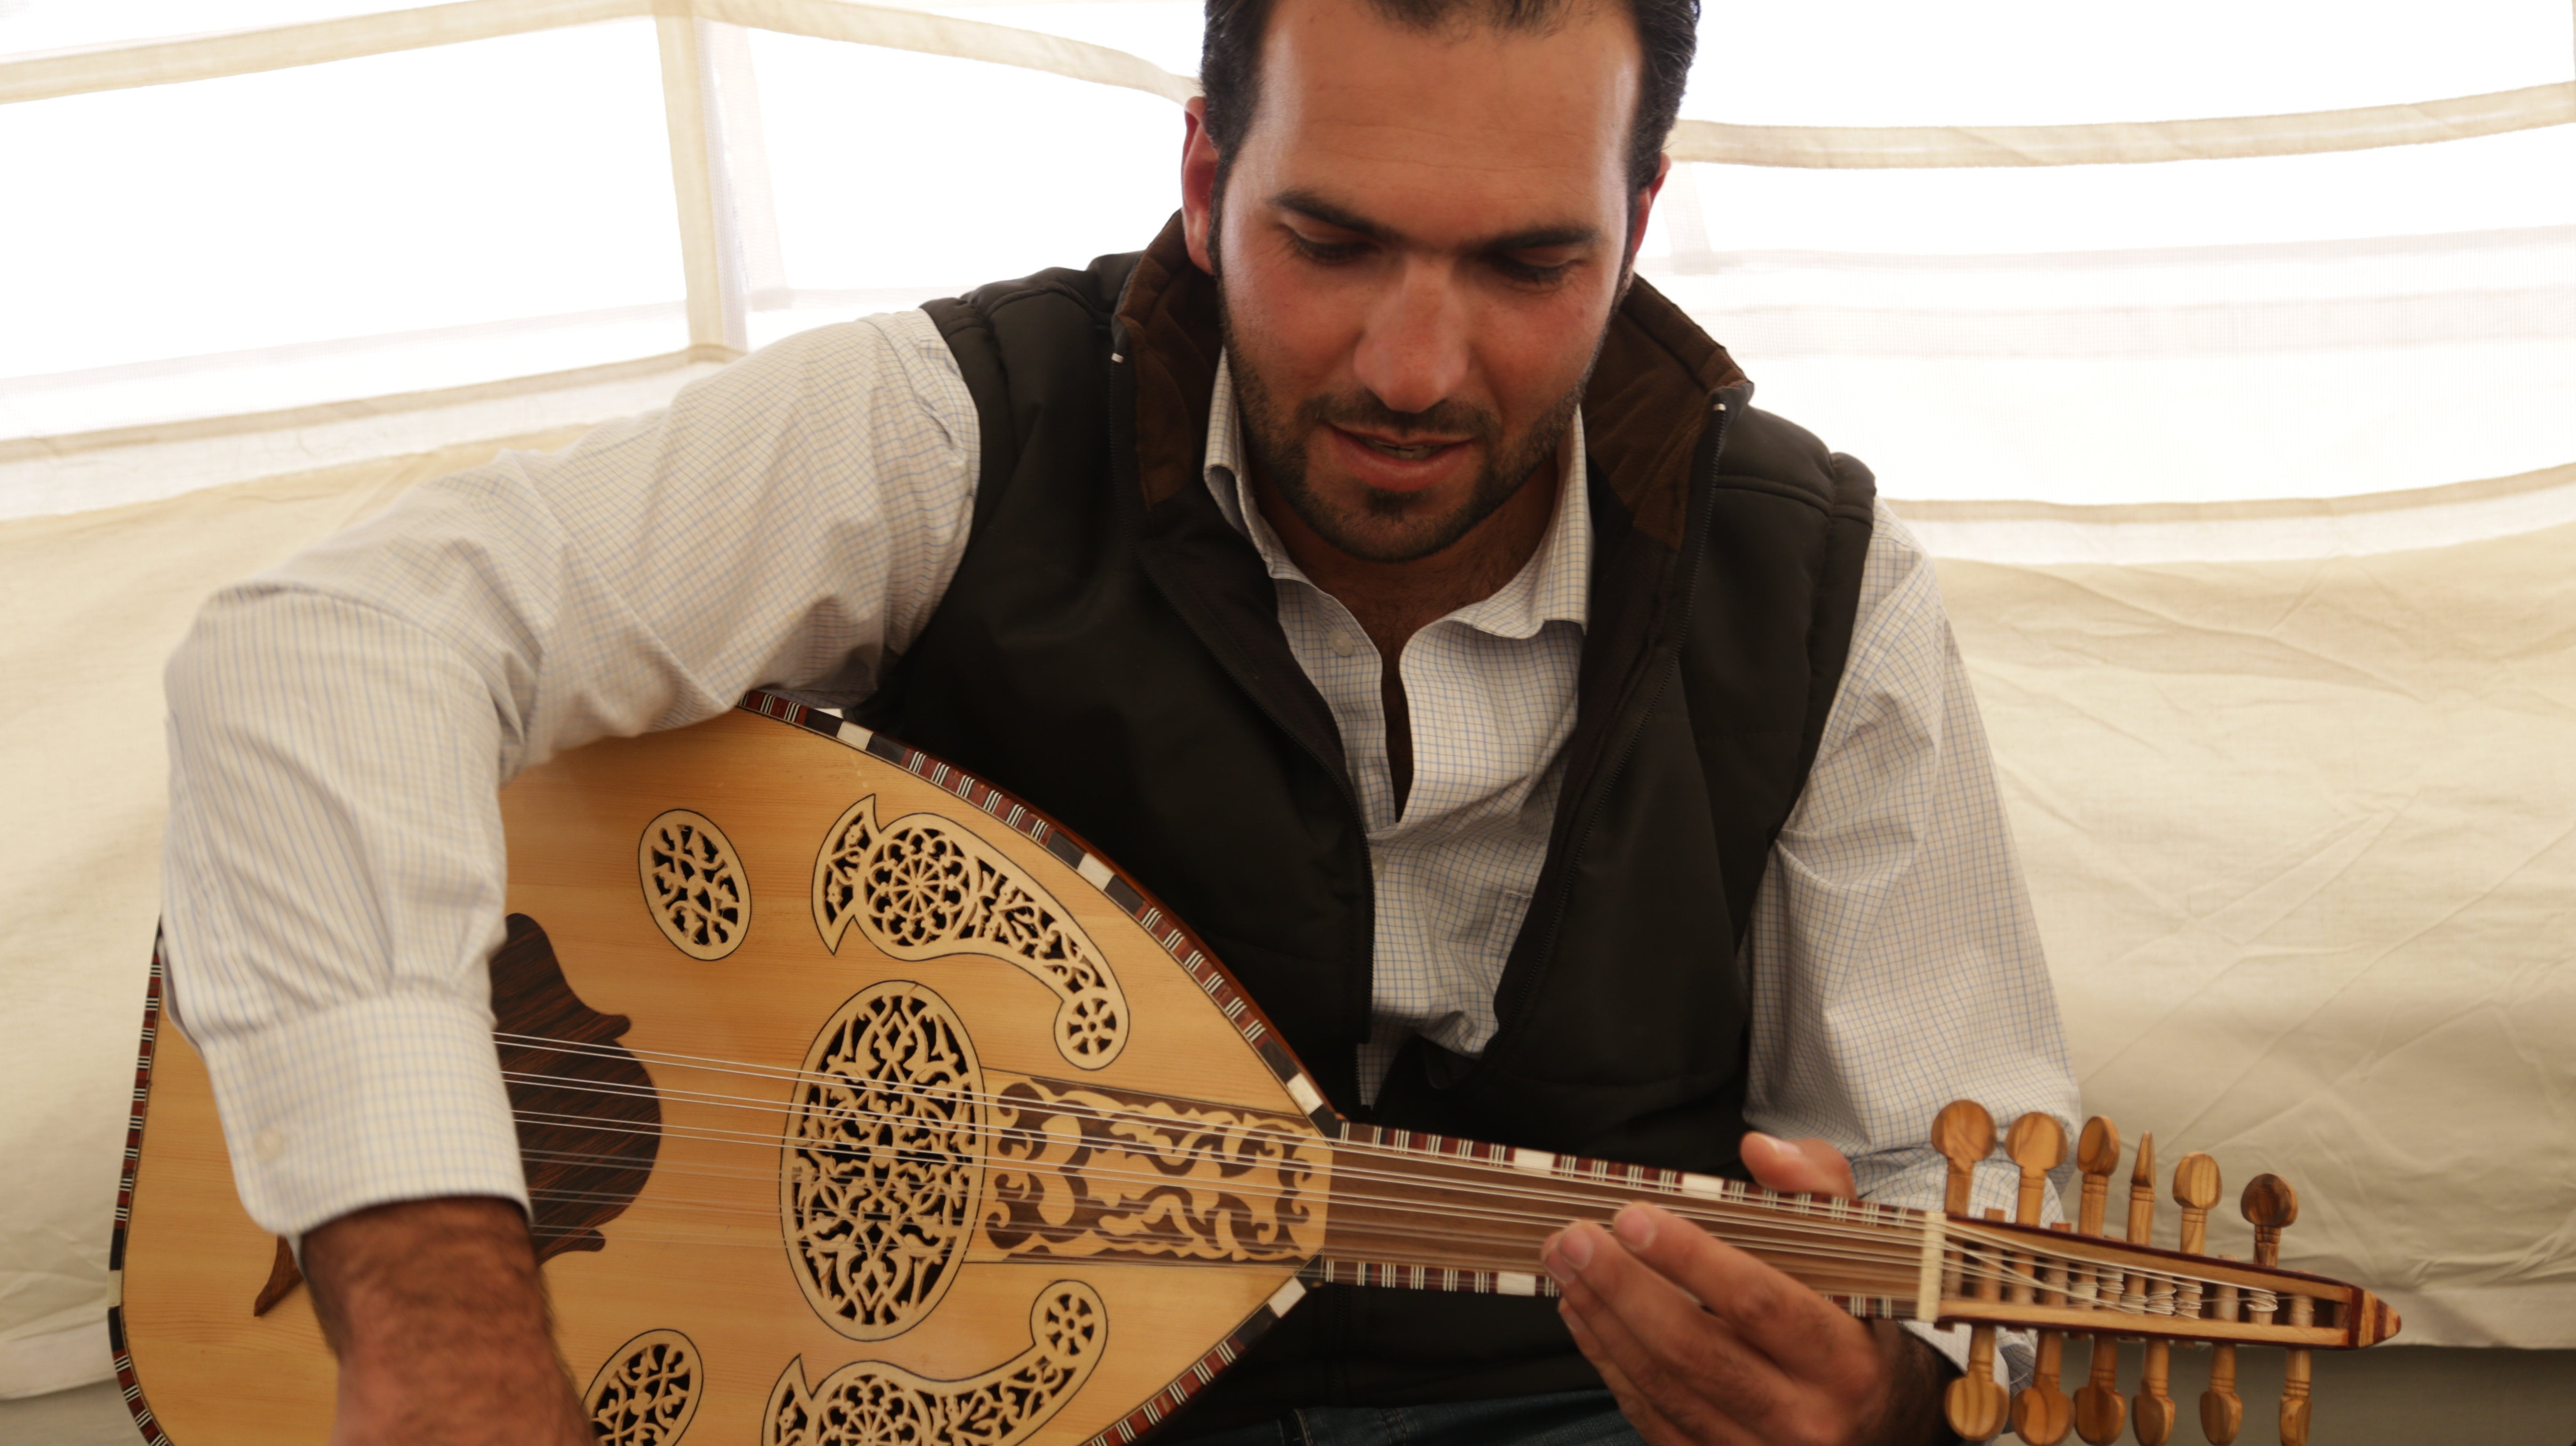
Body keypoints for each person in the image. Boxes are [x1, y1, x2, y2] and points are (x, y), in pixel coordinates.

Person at [159, 0, 2079, 1439]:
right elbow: (325, 654)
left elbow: (1964, 1196)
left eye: (1525, 263)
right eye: (1333, 241)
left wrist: (1887, 1398)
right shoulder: (950, 430)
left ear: (1637, 217)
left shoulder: (1816, 584)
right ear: (1204, 179)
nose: (1416, 368)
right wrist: (442, 1322)